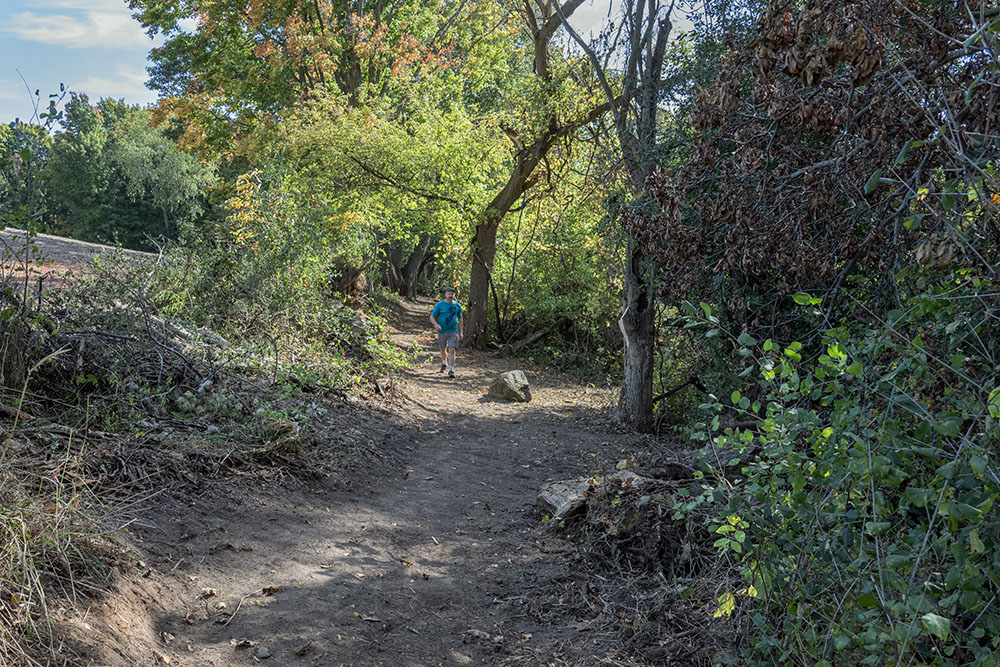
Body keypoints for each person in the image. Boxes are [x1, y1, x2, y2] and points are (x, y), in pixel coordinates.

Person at [430, 287, 463, 378]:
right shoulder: (440, 304)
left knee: (452, 349)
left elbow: (460, 319)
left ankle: (451, 370)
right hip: (442, 331)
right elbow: (432, 317)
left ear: (454, 295)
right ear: (445, 294)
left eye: (452, 294)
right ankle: (444, 363)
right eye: (449, 294)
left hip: (453, 331)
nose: (450, 295)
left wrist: (461, 332)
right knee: (442, 349)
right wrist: (436, 325)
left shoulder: (457, 305)